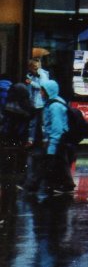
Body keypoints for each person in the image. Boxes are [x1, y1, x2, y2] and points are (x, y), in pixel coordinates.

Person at [0, 83, 34, 214]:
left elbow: (5, 126)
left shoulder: (9, 106)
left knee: (5, 174)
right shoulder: (28, 106)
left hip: (7, 143)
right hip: (19, 144)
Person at [39, 77, 75, 197]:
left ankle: (66, 185)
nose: (40, 93)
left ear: (48, 91)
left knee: (58, 160)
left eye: (42, 90)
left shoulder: (55, 106)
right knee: (61, 161)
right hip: (60, 138)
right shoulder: (55, 102)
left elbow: (57, 127)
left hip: (59, 139)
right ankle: (65, 184)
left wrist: (51, 145)